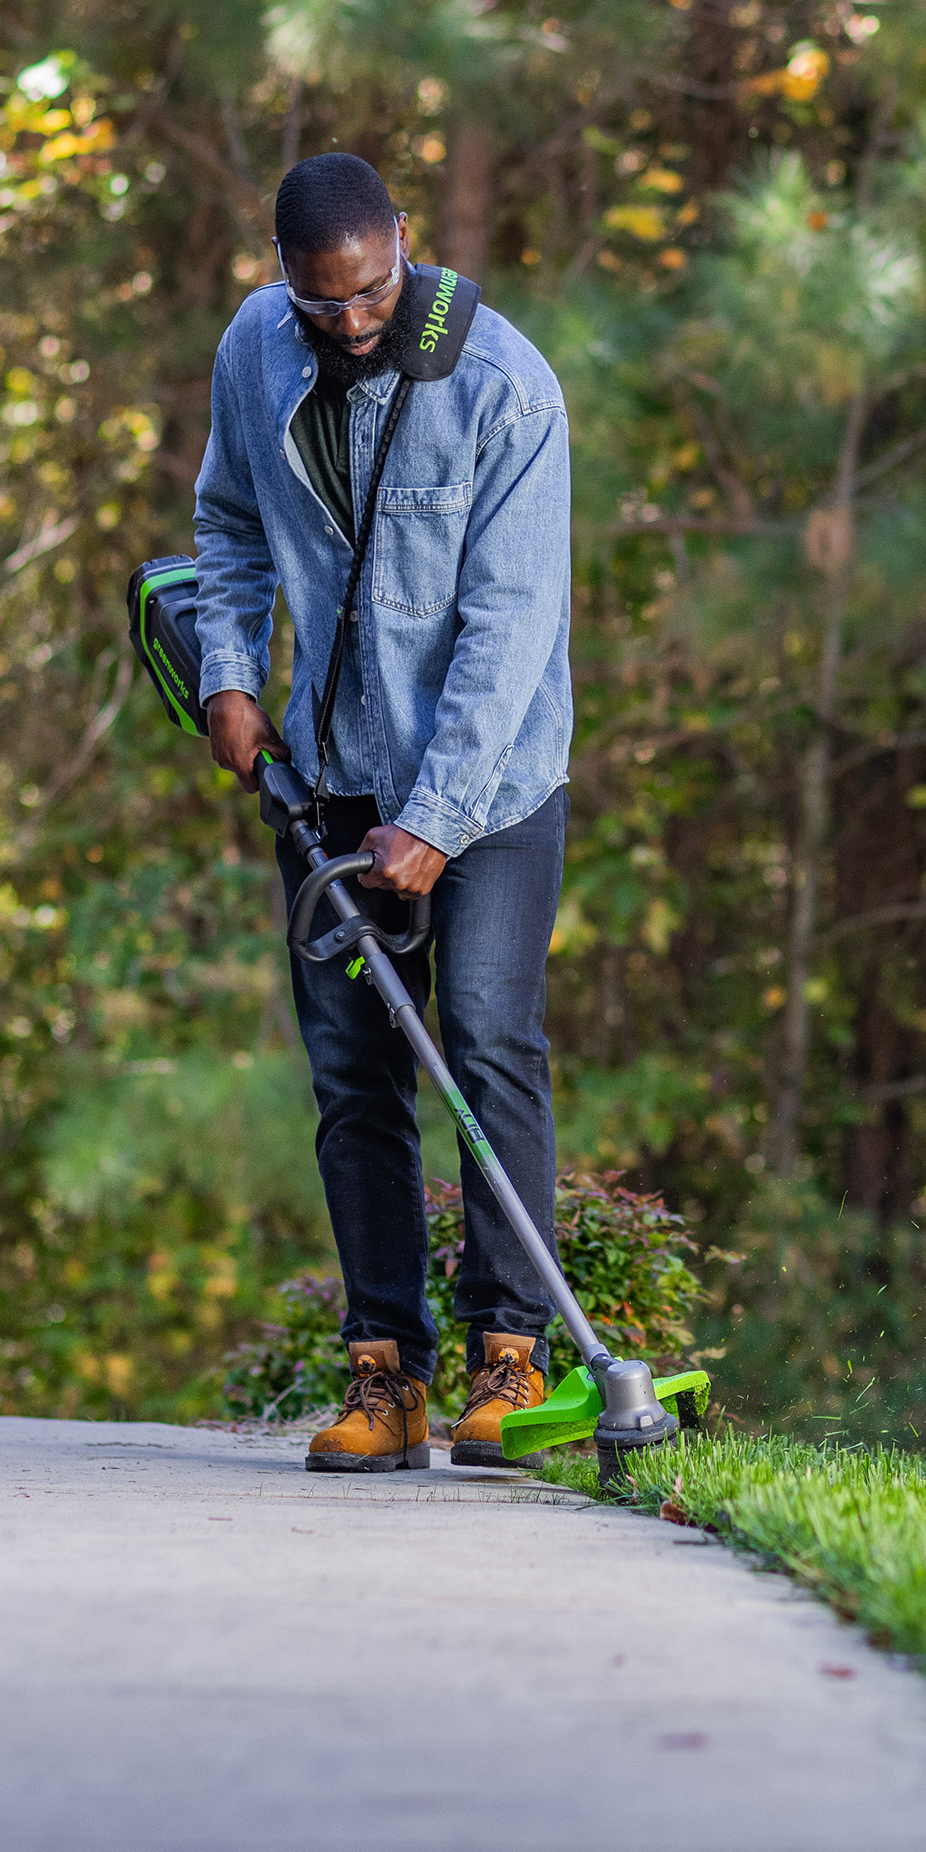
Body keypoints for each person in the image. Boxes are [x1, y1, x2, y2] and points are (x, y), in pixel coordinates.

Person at [192, 152, 573, 1472]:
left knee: (483, 1043)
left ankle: (510, 1362)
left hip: (492, 784)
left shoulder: (505, 389)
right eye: (320, 302)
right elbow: (229, 524)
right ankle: (383, 1377)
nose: (349, 323)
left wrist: (440, 818)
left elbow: (510, 628)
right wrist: (231, 676)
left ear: (401, 245)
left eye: (368, 294)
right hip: (330, 771)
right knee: (355, 1076)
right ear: (286, 276)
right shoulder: (256, 345)